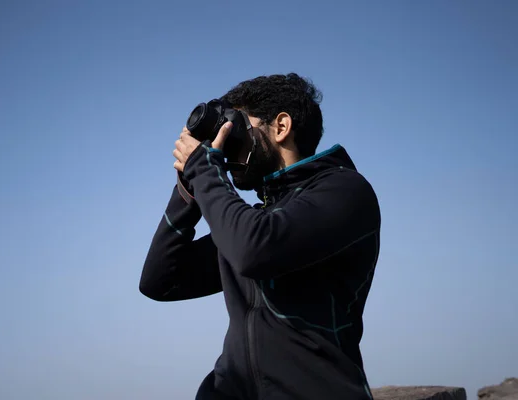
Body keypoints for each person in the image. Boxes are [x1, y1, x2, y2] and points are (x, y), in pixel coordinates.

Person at [139, 73, 381, 400]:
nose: (226, 142)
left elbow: (254, 250)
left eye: (236, 127)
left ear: (281, 127)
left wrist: (206, 170)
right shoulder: (255, 220)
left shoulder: (344, 192)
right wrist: (188, 190)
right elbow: (160, 280)